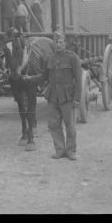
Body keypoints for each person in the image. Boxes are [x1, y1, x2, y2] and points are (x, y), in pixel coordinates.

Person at [27, 31, 82, 160]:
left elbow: (78, 80)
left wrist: (77, 98)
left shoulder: (72, 58)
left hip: (68, 97)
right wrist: (30, 78)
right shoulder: (49, 58)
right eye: (56, 42)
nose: (58, 44)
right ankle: (60, 150)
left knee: (70, 126)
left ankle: (71, 151)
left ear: (65, 43)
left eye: (60, 42)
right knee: (53, 125)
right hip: (52, 97)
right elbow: (43, 76)